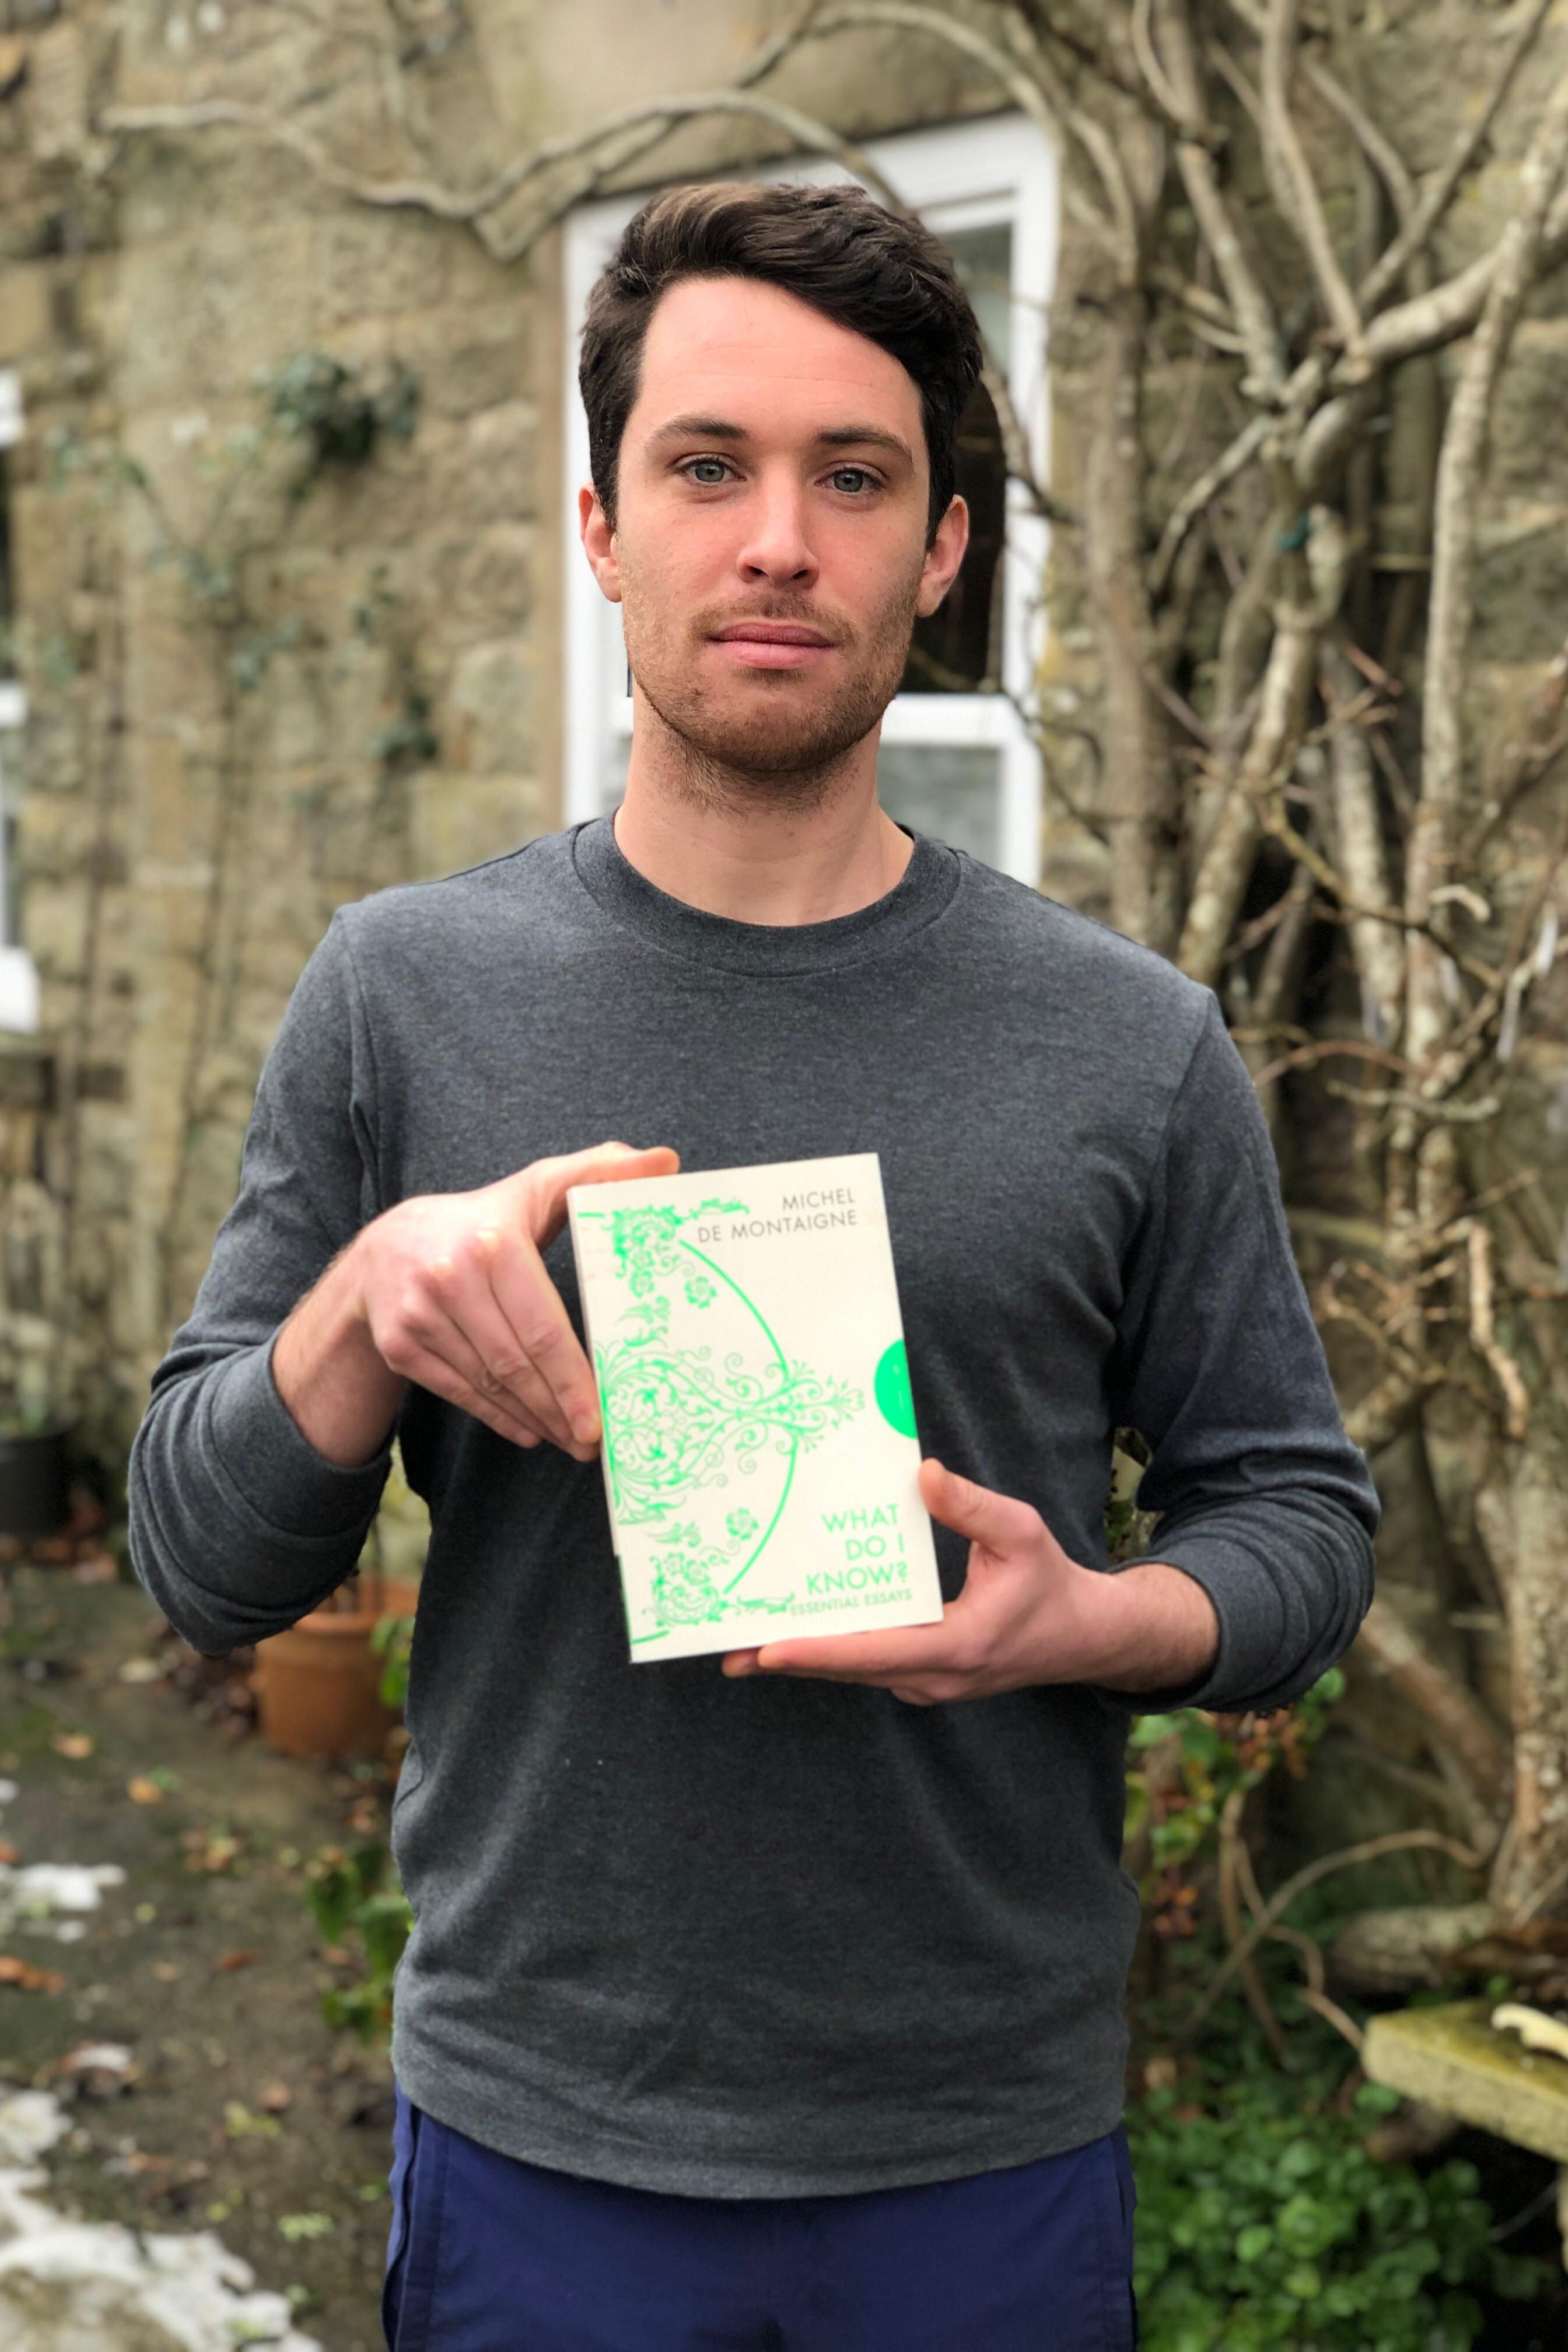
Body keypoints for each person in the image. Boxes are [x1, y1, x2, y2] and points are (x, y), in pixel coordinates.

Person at [128, 180, 1378, 2351]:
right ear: (604, 525)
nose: (781, 538)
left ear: (947, 550)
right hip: (545, 2141)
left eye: (856, 475)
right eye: (709, 466)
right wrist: (362, 1308)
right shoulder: (403, 995)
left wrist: (1098, 1621)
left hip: (979, 2152)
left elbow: (1301, 1529)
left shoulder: (1131, 1042)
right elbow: (200, 1560)